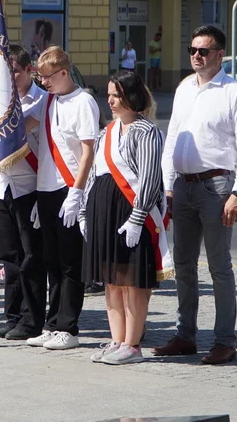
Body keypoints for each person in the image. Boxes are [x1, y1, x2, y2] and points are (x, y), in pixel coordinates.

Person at [155, 25, 237, 365]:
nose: (196, 56)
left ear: (219, 55)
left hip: (217, 188)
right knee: (183, 265)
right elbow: (172, 137)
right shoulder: (185, 87)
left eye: (203, 50)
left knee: (219, 267)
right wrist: (167, 183)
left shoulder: (234, 93)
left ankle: (224, 341)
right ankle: (185, 335)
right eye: (192, 50)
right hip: (183, 186)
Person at [84, 70, 171, 365]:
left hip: (131, 212)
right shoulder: (106, 133)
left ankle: (132, 345)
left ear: (132, 97)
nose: (110, 100)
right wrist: (85, 211)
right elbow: (94, 175)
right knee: (112, 280)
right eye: (108, 94)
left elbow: (149, 178)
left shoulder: (146, 132)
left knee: (132, 281)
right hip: (104, 212)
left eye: (116, 95)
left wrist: (137, 218)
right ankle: (117, 339)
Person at [24, 46, 100, 350]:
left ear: (64, 73)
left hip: (70, 189)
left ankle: (68, 327)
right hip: (46, 189)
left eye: (47, 77)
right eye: (40, 77)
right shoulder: (49, 101)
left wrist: (77, 193)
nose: (43, 83)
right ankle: (52, 323)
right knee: (51, 261)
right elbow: (25, 125)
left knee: (70, 263)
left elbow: (88, 152)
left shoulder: (84, 102)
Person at [0, 46, 47, 340]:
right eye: (6, 72)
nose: (11, 77)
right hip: (5, 186)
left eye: (16, 72)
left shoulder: (43, 101)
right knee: (9, 258)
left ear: (29, 71)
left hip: (31, 186)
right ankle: (13, 315)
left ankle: (32, 319)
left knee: (31, 257)